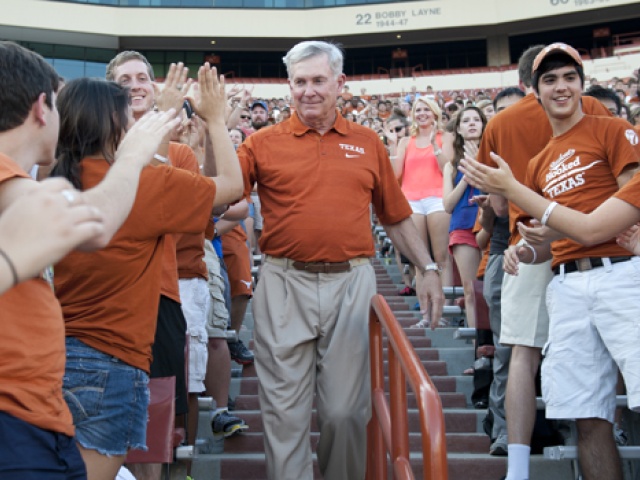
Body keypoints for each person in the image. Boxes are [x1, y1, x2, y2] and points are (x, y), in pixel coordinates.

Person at [236, 40, 444, 480]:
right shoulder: (261, 144)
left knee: (346, 413)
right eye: (299, 82)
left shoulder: (367, 141)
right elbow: (221, 191)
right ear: (288, 86)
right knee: (285, 418)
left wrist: (427, 267)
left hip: (351, 283)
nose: (308, 91)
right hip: (283, 281)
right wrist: (215, 130)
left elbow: (396, 214)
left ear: (340, 83)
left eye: (318, 80)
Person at [0, 41, 180, 479]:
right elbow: (95, 224)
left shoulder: (26, 185)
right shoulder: (24, 188)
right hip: (16, 417)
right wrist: (136, 154)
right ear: (43, 109)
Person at [52, 67, 242, 480]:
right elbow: (231, 185)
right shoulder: (145, 185)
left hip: (54, 356)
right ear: (113, 126)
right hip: (113, 363)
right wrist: (213, 120)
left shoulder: (52, 181)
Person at [465, 42, 640, 480]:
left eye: (569, 77)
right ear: (535, 91)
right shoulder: (540, 162)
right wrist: (526, 248)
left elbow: (597, 226)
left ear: (582, 85)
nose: (561, 87)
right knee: (587, 416)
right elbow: (550, 237)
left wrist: (514, 190)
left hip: (620, 274)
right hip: (566, 284)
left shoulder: (614, 130)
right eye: (550, 79)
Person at [389, 96, 451, 327]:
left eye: (426, 109)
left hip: (438, 199)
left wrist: (436, 146)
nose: (422, 113)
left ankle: (444, 312)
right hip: (411, 200)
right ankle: (426, 315)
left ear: (435, 112)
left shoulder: (446, 137)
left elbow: (448, 169)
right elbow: (396, 175)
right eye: (418, 110)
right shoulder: (407, 141)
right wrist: (393, 144)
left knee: (441, 259)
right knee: (419, 260)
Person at [442, 106, 486, 329]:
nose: (471, 123)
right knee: (471, 289)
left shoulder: (493, 158)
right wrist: (465, 178)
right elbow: (447, 204)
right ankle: (479, 345)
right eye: (466, 120)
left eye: (476, 119)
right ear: (458, 129)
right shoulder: (451, 165)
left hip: (490, 226)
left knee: (491, 287)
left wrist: (479, 164)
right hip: (462, 226)